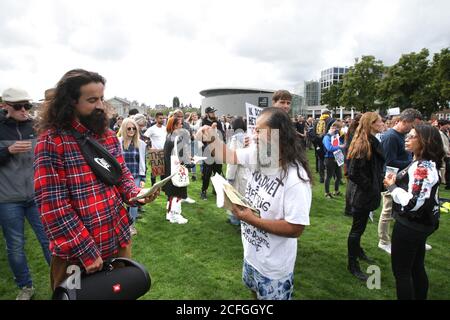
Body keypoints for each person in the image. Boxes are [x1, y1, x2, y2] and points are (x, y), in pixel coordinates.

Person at [33, 69, 159, 291]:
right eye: (92, 100)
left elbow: (121, 176)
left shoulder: (108, 136)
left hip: (116, 238)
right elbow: (53, 207)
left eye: (101, 98)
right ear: (70, 102)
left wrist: (136, 194)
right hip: (76, 254)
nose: (101, 105)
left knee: (120, 295)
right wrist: (85, 250)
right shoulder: (52, 142)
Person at [197, 107, 312, 300]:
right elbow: (229, 156)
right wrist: (210, 138)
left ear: (279, 134)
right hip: (251, 256)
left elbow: (295, 228)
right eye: (254, 129)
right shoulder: (258, 155)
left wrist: (251, 219)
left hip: (274, 269)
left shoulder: (295, 179)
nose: (254, 135)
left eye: (259, 130)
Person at [0, 88, 51, 300]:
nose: (24, 110)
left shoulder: (35, 127)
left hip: (36, 197)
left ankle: (63, 282)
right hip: (8, 199)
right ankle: (25, 286)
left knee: (49, 242)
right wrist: (7, 151)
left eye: (27, 106)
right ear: (5, 107)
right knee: (15, 247)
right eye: (18, 106)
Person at [384, 124, 444, 299]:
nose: (407, 139)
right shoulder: (421, 162)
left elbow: (413, 203)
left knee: (402, 272)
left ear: (425, 141)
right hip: (419, 224)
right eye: (407, 135)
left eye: (412, 136)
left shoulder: (422, 167)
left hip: (411, 225)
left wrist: (393, 187)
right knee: (416, 266)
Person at [378, 108, 424, 255]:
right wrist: (411, 164)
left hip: (402, 178)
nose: (414, 129)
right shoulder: (391, 136)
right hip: (391, 178)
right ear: (404, 121)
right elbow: (389, 161)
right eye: (413, 125)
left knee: (400, 210)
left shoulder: (403, 135)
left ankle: (397, 238)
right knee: (387, 211)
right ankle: (383, 241)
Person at [346, 112, 385, 281]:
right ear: (371, 124)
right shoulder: (364, 143)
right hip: (362, 195)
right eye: (380, 121)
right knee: (356, 229)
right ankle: (352, 263)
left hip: (367, 193)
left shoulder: (370, 140)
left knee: (359, 228)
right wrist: (370, 187)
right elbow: (353, 173)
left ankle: (358, 251)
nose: (383, 123)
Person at [161, 116, 194, 224]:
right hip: (175, 170)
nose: (182, 126)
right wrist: (190, 163)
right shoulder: (175, 138)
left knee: (172, 194)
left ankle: (170, 214)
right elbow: (181, 157)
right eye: (180, 124)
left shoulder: (170, 136)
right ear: (175, 125)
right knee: (176, 194)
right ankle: (175, 215)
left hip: (170, 169)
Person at [118, 118, 147, 235]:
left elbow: (143, 162)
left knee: (134, 201)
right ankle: (120, 224)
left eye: (134, 128)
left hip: (135, 176)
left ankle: (131, 225)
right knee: (120, 201)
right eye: (129, 128)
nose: (131, 130)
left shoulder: (141, 144)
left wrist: (143, 178)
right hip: (120, 177)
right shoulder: (117, 142)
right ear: (124, 129)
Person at [225, 117, 249, 226]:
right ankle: (244, 218)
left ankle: (236, 219)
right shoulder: (249, 137)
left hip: (238, 172)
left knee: (235, 196)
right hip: (247, 171)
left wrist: (229, 176)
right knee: (244, 196)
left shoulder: (235, 138)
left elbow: (233, 158)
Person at [200, 106, 225, 200]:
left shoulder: (218, 122)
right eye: (211, 112)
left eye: (214, 112)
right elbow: (203, 137)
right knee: (207, 172)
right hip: (208, 150)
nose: (213, 113)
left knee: (218, 172)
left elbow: (222, 133)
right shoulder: (204, 122)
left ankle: (216, 189)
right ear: (207, 113)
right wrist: (211, 128)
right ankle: (203, 190)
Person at [144, 112, 167, 185]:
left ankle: (163, 187)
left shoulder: (165, 128)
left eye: (163, 118)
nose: (162, 119)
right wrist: (149, 147)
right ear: (156, 119)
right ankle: (153, 185)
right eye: (160, 118)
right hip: (155, 152)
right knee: (154, 171)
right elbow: (145, 138)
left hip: (164, 151)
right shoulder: (151, 129)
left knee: (163, 171)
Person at [322, 122, 344, 198]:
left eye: (336, 128)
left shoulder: (335, 136)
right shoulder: (326, 137)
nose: (335, 130)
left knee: (339, 176)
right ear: (330, 128)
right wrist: (340, 146)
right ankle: (327, 193)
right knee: (328, 176)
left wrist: (341, 145)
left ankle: (336, 191)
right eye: (333, 128)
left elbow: (340, 144)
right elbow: (329, 148)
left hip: (337, 157)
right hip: (329, 158)